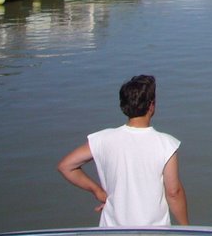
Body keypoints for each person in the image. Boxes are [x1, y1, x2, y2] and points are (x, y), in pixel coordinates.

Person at [58, 75, 188, 227]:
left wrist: (97, 191)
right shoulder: (166, 144)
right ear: (151, 106)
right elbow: (173, 193)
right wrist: (186, 228)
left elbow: (66, 166)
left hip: (112, 229)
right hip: (153, 230)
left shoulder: (103, 139)